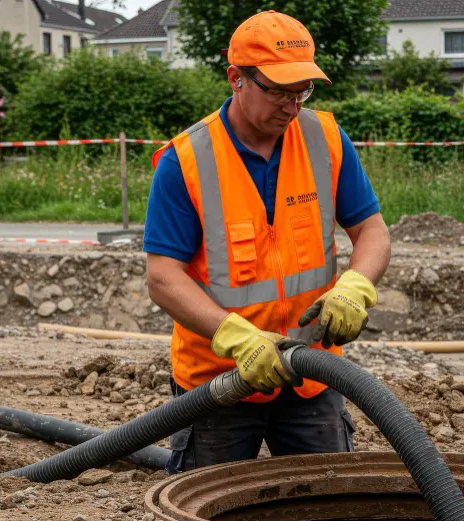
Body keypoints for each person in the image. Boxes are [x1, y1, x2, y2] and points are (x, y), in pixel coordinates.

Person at [144, 10, 391, 473]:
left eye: (303, 90)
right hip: (219, 382)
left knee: (331, 511)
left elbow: (371, 230)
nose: (292, 105)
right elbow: (162, 277)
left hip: (310, 377)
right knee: (207, 514)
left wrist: (356, 285)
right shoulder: (186, 160)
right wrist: (235, 337)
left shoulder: (326, 138)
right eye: (278, 90)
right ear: (236, 78)